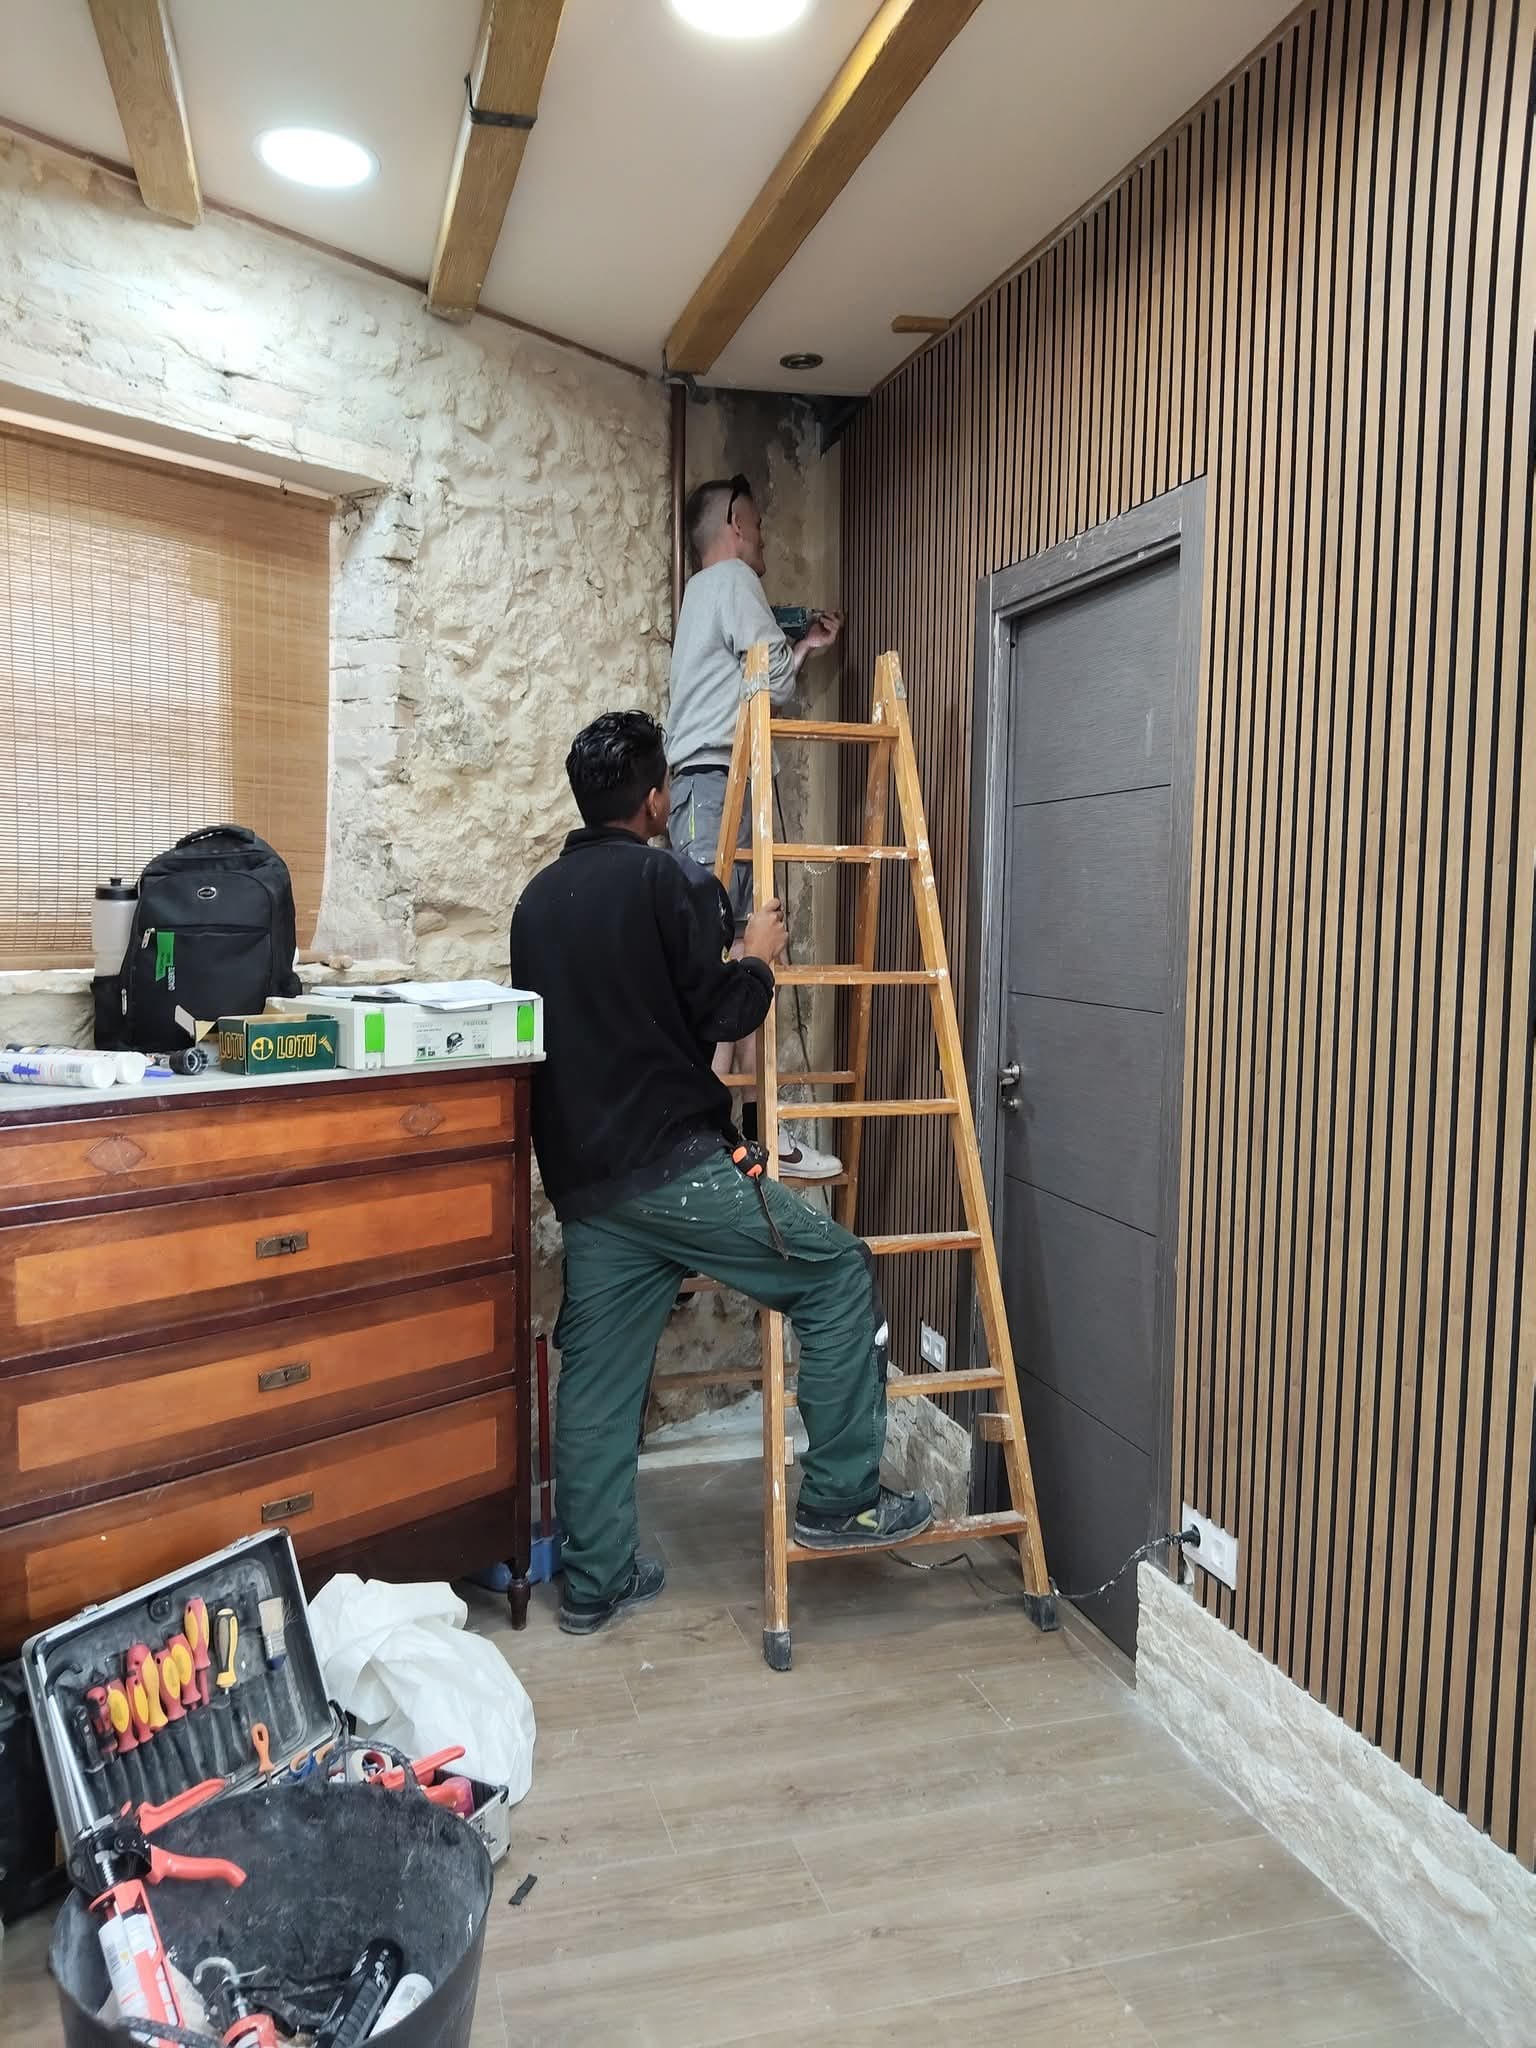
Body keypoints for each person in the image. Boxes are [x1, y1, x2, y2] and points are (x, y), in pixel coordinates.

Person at [509, 709, 933, 1636]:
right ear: (657, 799)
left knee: (599, 1383)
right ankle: (841, 1500)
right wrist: (757, 958)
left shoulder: (536, 903)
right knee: (836, 1271)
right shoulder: (669, 881)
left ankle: (593, 1583)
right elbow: (722, 1015)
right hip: (675, 1168)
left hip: (587, 1184)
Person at [667, 471, 844, 1181]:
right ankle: (735, 1139)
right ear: (736, 524)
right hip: (720, 782)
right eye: (759, 524)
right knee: (737, 960)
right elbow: (769, 679)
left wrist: (799, 650)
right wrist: (791, 656)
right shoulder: (734, 577)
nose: (762, 538)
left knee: (736, 958)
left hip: (706, 787)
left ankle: (745, 1136)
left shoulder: (699, 594)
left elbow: (754, 678)